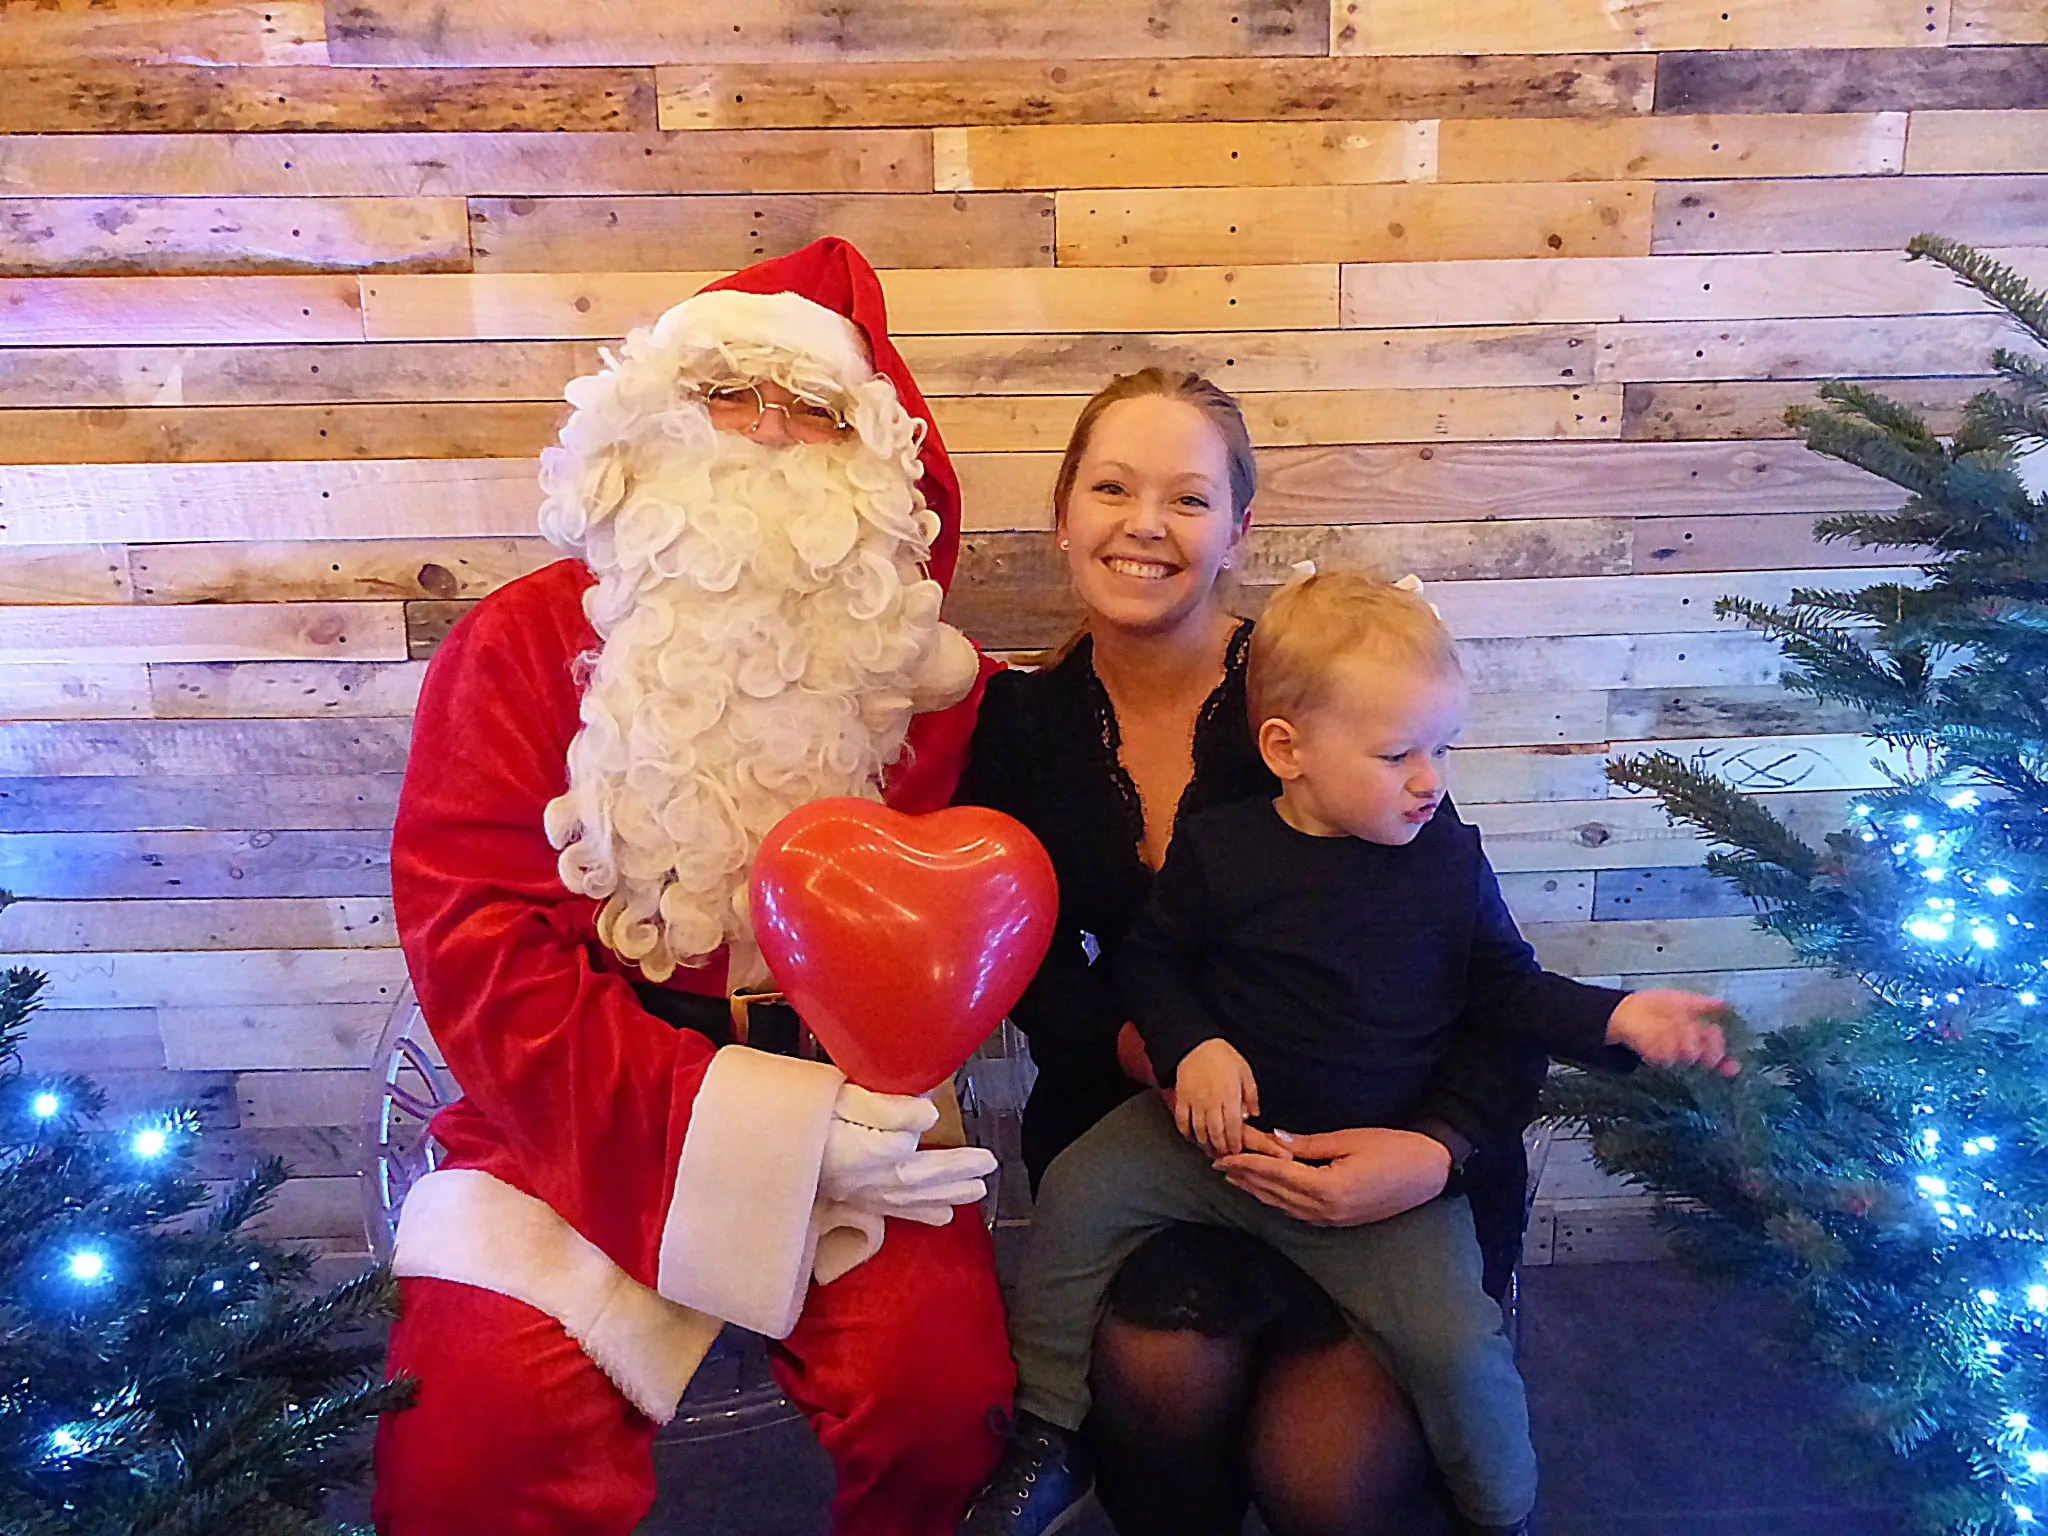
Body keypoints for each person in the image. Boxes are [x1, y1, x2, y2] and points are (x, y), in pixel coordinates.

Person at [372, 239, 1014, 1536]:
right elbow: (477, 951)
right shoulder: (521, 644)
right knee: (474, 1433)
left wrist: (869, 1105)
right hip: (570, 1107)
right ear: (655, 416)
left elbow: (963, 927)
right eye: (731, 394)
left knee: (945, 1399)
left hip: (855, 1112)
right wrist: (748, 1146)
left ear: (868, 457)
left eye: (813, 408)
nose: (770, 432)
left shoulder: (921, 687)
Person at [950, 367, 1611, 1536]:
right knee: (1160, 1375)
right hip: (1160, 1133)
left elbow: (1484, 985)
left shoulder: (1330, 695)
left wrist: (1434, 1153)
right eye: (1111, 486)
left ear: (1236, 531)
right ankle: (1068, 1446)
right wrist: (1154, 1048)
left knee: (1325, 1470)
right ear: (1062, 514)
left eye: (1188, 498)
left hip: (1382, 1145)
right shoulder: (1017, 728)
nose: (1144, 523)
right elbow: (1021, 970)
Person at [964, 571, 1736, 1536]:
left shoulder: (1445, 859)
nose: (1431, 780)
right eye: (1398, 754)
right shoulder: (1224, 850)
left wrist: (1618, 1018)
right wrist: (1190, 1044)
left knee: (1460, 1347)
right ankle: (1045, 1431)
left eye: (1442, 748)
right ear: (1287, 749)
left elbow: (1504, 991)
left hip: (1383, 1169)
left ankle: (1502, 1512)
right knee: (1075, 1194)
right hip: (1214, 1144)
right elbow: (1153, 961)